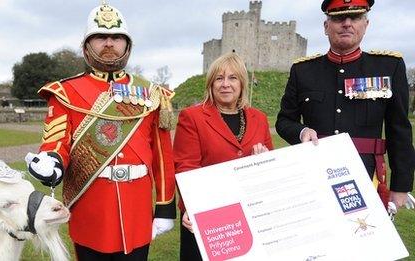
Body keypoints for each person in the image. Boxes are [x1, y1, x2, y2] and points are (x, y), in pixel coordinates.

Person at [24, 2, 176, 260]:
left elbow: (162, 156)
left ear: (128, 46)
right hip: (91, 209)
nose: (109, 43)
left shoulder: (152, 94)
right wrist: (51, 161)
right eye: (100, 37)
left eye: (117, 37)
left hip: (136, 212)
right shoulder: (65, 92)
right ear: (86, 47)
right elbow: (56, 140)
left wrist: (164, 207)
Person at [276, 0, 414, 209]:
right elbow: (285, 120)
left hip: (366, 175)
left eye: (355, 17)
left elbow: (399, 129)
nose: (347, 23)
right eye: (339, 18)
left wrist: (401, 185)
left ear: (365, 25)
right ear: (326, 26)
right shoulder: (303, 71)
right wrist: (302, 131)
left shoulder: (388, 66)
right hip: (314, 174)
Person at [173, 52, 273, 261]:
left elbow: (271, 165)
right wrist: (194, 206)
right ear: (211, 84)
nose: (225, 84)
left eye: (232, 78)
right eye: (219, 78)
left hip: (249, 213)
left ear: (242, 83)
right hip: (207, 214)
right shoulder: (192, 117)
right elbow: (186, 166)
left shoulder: (260, 118)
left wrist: (263, 161)